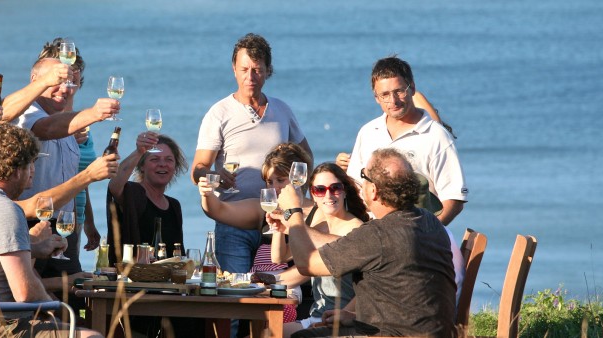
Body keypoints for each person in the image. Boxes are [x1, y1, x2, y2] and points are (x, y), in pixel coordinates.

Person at [0, 124, 102, 338]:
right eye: (33, 163)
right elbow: (25, 293)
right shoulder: (4, 210)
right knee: (91, 336)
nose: (34, 171)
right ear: (17, 168)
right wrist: (56, 311)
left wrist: (34, 249)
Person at [272, 148, 457, 337]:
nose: (360, 184)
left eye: (364, 176)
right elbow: (403, 290)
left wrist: (293, 212)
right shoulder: (429, 221)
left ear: (374, 190)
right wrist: (352, 316)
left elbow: (306, 264)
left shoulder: (377, 234)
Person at [197, 144, 368, 335]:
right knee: (259, 333)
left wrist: (293, 221)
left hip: (326, 312)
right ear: (313, 192)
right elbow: (279, 257)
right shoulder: (300, 218)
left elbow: (311, 267)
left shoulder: (347, 226)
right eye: (320, 190)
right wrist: (207, 194)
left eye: (334, 188)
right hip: (313, 311)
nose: (328, 195)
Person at [190, 33, 313, 274]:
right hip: (234, 221)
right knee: (236, 298)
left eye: (257, 69)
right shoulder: (219, 113)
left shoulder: (281, 109)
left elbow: (305, 158)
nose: (250, 76)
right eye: (244, 69)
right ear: (234, 69)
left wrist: (299, 199)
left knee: (279, 297)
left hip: (280, 222)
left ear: (268, 71)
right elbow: (198, 169)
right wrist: (216, 176)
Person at [12, 46, 119, 276]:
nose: (65, 89)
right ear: (36, 80)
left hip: (64, 228)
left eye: (70, 83)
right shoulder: (25, 113)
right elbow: (47, 129)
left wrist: (88, 222)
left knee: (72, 294)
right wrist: (94, 113)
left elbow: (72, 178)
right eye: (57, 81)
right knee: (34, 296)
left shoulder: (71, 125)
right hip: (32, 224)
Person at [337, 55, 467, 226]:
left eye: (399, 91)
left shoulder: (436, 136)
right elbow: (355, 187)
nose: (393, 101)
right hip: (370, 234)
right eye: (385, 94)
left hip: (416, 235)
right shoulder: (368, 132)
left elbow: (454, 198)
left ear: (412, 89)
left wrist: (427, 235)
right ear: (376, 98)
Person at [106, 131, 191, 337]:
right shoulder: (134, 193)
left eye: (168, 160)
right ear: (142, 166)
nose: (162, 164)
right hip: (136, 292)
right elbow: (114, 185)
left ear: (175, 166)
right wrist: (138, 151)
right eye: (154, 159)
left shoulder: (174, 206)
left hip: (169, 293)